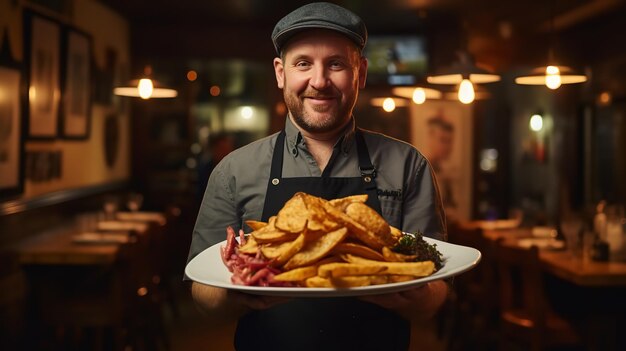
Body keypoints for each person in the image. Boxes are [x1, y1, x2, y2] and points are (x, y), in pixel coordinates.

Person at [186, 3, 448, 350]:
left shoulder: (408, 165)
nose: (320, 81)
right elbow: (202, 291)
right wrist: (244, 295)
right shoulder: (234, 170)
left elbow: (437, 288)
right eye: (303, 63)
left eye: (336, 63)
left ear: (361, 73)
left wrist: (413, 297)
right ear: (280, 73)